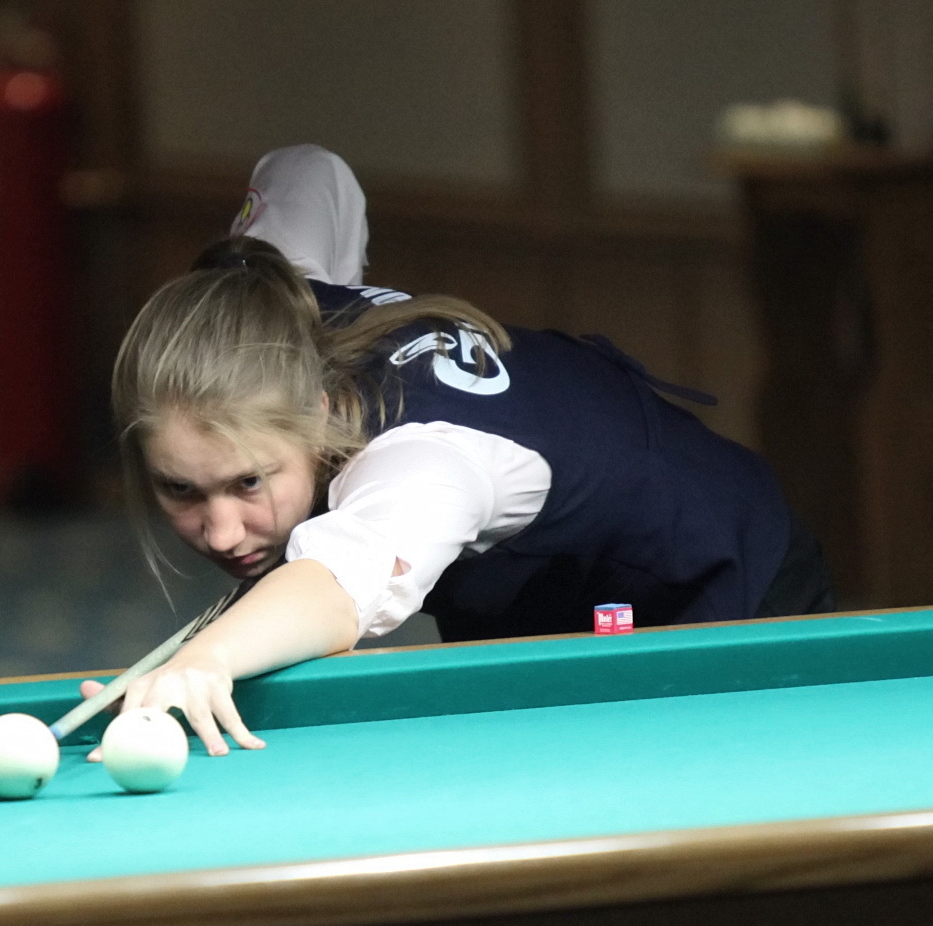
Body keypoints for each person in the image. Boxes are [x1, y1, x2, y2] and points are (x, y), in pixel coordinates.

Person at [85, 145, 833, 759]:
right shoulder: (267, 303)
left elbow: (340, 586)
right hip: (538, 603)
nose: (221, 532)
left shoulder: (423, 461)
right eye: (180, 489)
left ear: (318, 412)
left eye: (249, 481)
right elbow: (308, 172)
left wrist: (206, 658)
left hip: (712, 576)